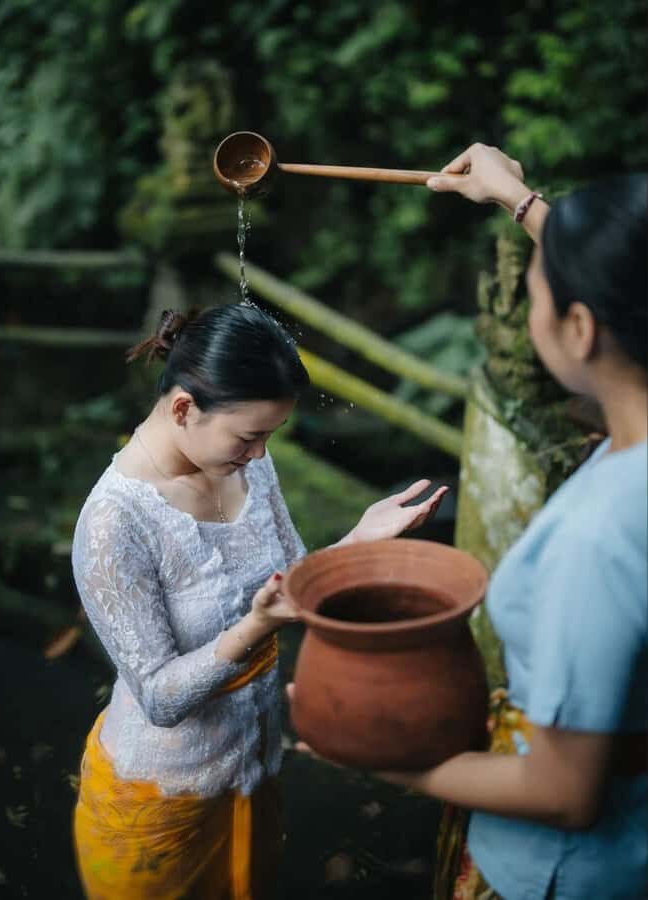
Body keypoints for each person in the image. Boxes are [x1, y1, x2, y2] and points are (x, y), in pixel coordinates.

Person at [292, 145, 647, 900]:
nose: (529, 305)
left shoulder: (598, 537)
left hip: (571, 872)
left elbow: (564, 793)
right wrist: (516, 200)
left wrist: (388, 760)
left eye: (533, 292)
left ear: (579, 327)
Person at [71, 302, 447, 900]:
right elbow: (160, 698)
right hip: (160, 797)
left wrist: (356, 540)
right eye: (249, 436)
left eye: (269, 436)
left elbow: (290, 578)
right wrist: (255, 626)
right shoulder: (115, 523)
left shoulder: (247, 464)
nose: (260, 454)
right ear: (184, 408)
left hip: (253, 766)